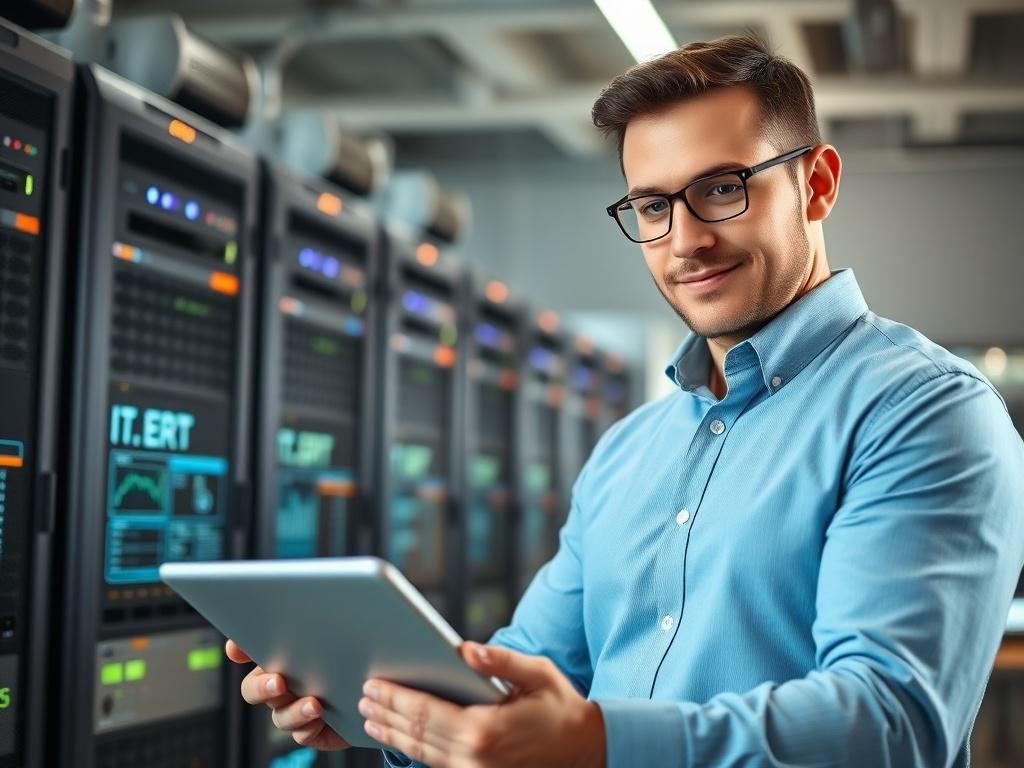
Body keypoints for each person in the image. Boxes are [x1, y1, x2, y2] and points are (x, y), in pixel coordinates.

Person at [226, 33, 1024, 767]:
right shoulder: (629, 450)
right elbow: (521, 682)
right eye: (652, 206)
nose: (685, 241)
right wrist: (390, 713)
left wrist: (600, 742)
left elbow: (890, 724)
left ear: (816, 185)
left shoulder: (925, 413)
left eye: (722, 189)